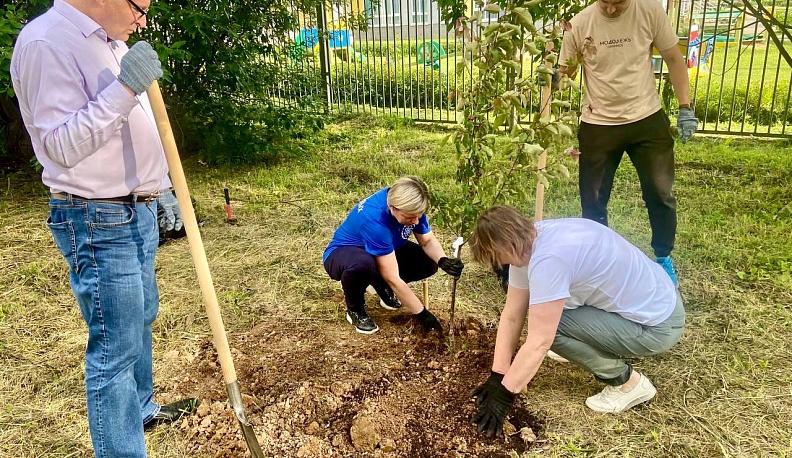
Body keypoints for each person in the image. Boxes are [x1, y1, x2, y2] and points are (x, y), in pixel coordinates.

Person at [11, 1, 197, 456]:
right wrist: (126, 86)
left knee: (141, 316)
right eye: (140, 7)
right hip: (97, 217)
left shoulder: (111, 43)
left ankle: (141, 407)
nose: (143, 20)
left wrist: (160, 185)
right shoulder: (45, 42)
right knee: (116, 345)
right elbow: (60, 145)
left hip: (139, 209)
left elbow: (131, 129)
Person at [469, 206, 685, 436]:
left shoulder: (549, 260)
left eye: (494, 258)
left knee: (551, 328)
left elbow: (539, 341)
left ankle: (628, 383)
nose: (497, 265)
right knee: (546, 317)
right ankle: (582, 344)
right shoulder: (532, 240)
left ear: (504, 247)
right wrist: (498, 374)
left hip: (658, 326)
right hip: (659, 298)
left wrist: (504, 396)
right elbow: (512, 315)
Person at [557, 0, 700, 285]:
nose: (611, 9)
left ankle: (663, 258)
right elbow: (565, 72)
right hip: (598, 124)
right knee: (593, 200)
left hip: (646, 118)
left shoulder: (650, 11)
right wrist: (553, 76)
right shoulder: (580, 23)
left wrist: (685, 107)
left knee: (660, 193)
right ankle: (599, 261)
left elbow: (673, 57)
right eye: (605, 2)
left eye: (619, 3)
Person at [323, 176, 464, 334]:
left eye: (419, 216)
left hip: (382, 249)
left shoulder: (410, 204)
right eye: (410, 218)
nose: (416, 222)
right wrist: (422, 314)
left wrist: (442, 260)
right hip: (343, 254)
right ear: (392, 208)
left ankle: (379, 284)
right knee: (362, 265)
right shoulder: (375, 220)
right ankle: (355, 310)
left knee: (428, 262)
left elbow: (427, 241)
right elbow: (393, 278)